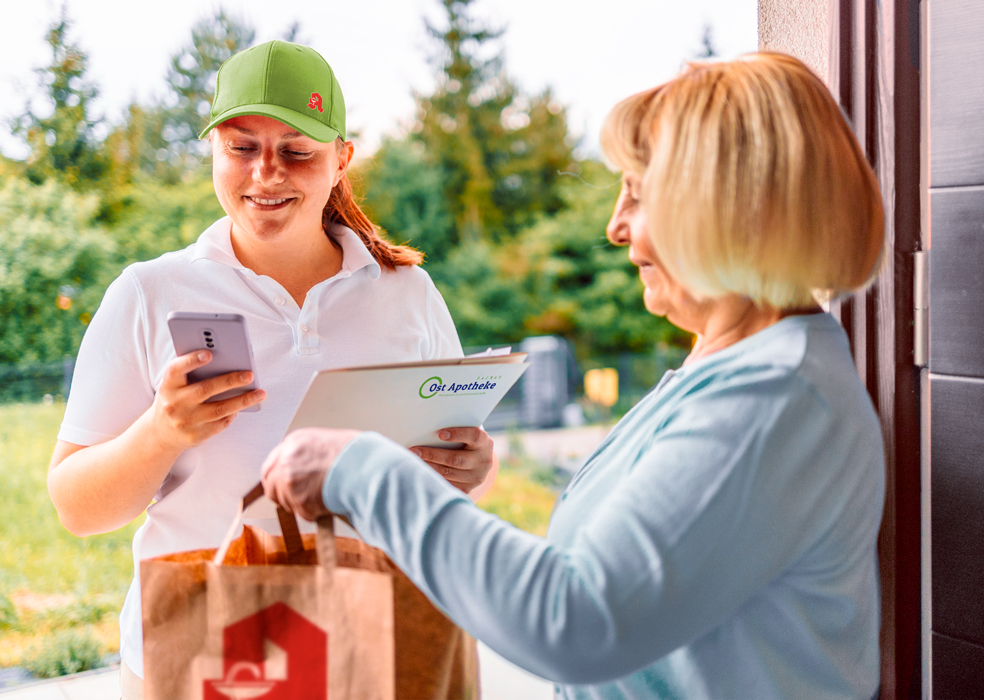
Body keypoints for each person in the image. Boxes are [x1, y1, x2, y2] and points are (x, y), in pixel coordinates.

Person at [261, 52, 886, 699]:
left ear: (731, 209)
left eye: (638, 195)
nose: (616, 228)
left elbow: (578, 619)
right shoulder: (725, 371)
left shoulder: (774, 398)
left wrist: (361, 469)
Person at [46, 40, 497, 697]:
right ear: (212, 153)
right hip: (204, 641)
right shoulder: (148, 294)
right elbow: (76, 510)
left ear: (341, 159)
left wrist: (475, 470)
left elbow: (453, 472)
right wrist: (161, 433)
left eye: (296, 151)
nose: (266, 174)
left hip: (377, 632)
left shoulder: (406, 294)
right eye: (241, 148)